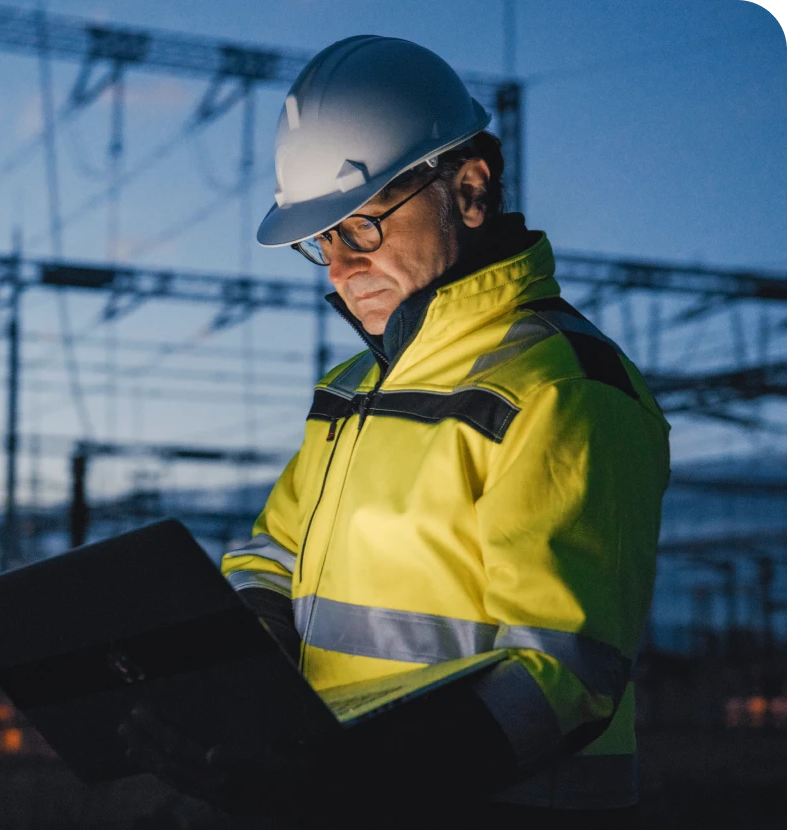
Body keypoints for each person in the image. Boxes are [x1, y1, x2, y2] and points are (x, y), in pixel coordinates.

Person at [119, 35, 670, 828]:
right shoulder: (350, 393)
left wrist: (339, 780)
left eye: (361, 229)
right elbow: (270, 562)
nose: (340, 269)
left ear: (471, 191)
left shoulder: (564, 389)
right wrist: (231, 675)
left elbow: (561, 675)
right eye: (323, 242)